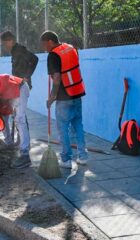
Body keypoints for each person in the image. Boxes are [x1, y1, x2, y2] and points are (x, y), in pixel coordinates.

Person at [41, 31, 88, 168]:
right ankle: (83, 156)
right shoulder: (71, 48)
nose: (44, 48)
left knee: (63, 128)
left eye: (44, 45)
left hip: (63, 96)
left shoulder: (53, 54)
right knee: (78, 125)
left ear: (50, 41)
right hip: (77, 92)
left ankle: (66, 159)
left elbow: (57, 78)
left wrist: (52, 97)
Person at [0, 31, 38, 148]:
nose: (4, 46)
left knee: (20, 116)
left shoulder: (20, 50)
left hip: (22, 86)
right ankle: (21, 139)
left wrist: (27, 76)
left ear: (10, 41)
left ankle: (24, 143)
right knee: (18, 114)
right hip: (17, 86)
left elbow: (35, 59)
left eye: (4, 43)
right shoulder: (14, 51)